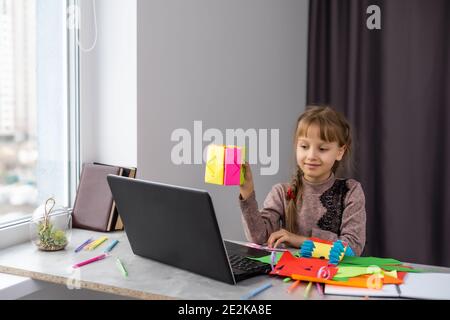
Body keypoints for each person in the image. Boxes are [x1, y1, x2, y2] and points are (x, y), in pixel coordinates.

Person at [239, 106, 366, 256]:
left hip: (332, 277)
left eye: (323, 149)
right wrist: (247, 191)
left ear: (340, 152)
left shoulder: (351, 191)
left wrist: (300, 240)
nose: (311, 155)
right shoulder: (281, 192)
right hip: (289, 275)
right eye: (304, 146)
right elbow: (259, 237)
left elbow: (353, 246)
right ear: (296, 146)